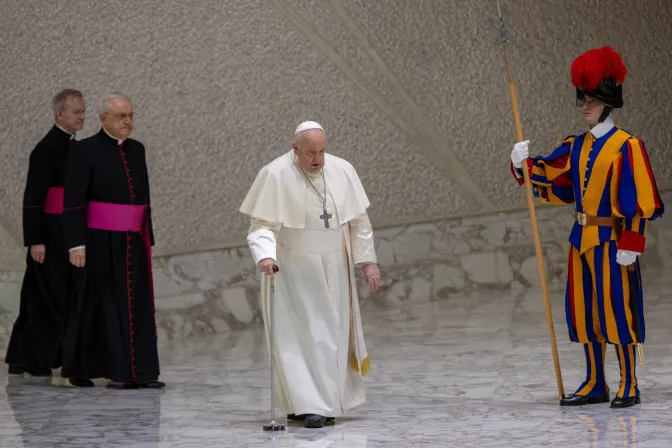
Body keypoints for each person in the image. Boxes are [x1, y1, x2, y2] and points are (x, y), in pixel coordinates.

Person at [510, 47, 664, 408]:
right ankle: (596, 380)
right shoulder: (576, 145)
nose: (585, 106)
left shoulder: (628, 147)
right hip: (580, 239)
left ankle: (628, 381)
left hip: (613, 241)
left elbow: (640, 198)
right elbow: (552, 176)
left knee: (617, 310)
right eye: (584, 99)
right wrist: (522, 164)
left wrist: (632, 241)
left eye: (592, 100)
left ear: (608, 102)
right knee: (585, 312)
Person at [240, 121, 381, 428]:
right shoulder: (275, 174)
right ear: (295, 148)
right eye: (310, 152)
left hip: (336, 266)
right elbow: (262, 224)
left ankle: (321, 404)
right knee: (298, 339)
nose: (318, 159)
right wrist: (265, 255)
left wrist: (367, 261)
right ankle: (304, 404)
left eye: (321, 151)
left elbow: (359, 222)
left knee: (328, 334)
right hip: (293, 268)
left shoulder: (342, 170)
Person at [61, 92, 164, 389]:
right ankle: (89, 369)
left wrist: (148, 237)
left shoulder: (137, 150)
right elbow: (74, 200)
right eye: (121, 116)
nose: (128, 122)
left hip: (133, 240)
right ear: (103, 118)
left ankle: (140, 372)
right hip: (98, 242)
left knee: (137, 305)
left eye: (131, 115)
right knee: (99, 305)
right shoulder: (84, 150)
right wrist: (76, 243)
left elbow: (143, 199)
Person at [5, 89, 86, 380]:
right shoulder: (46, 148)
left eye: (83, 111)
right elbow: (33, 196)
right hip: (48, 238)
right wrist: (35, 239)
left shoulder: (73, 146)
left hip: (64, 233)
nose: (82, 117)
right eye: (76, 112)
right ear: (59, 114)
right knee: (41, 298)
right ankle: (25, 358)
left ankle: (36, 357)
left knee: (52, 297)